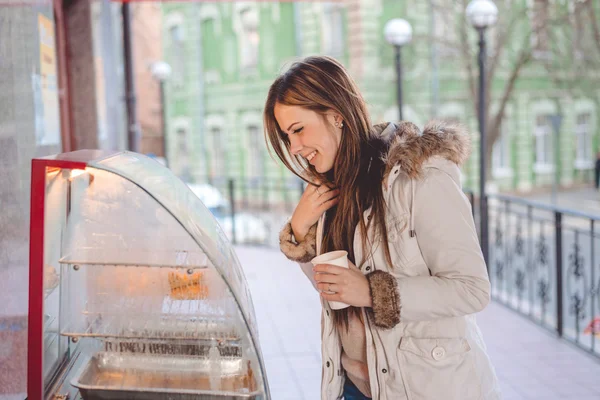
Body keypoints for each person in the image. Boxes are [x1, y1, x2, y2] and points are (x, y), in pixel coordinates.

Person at [264, 55, 501, 400]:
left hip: (426, 387)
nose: (296, 149)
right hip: (353, 386)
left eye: (298, 130)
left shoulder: (419, 178)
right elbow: (333, 288)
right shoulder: (331, 190)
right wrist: (300, 232)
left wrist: (373, 292)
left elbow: (471, 289)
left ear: (336, 114)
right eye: (288, 137)